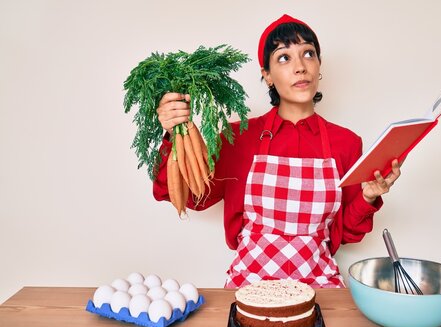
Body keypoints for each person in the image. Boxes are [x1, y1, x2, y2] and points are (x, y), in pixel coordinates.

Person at [153, 14, 402, 288]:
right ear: (267, 76)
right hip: (248, 287)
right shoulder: (239, 138)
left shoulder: (346, 143)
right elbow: (192, 197)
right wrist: (173, 132)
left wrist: (368, 197)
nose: (300, 67)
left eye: (308, 54)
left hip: (320, 288)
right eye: (284, 57)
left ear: (319, 67)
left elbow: (350, 234)